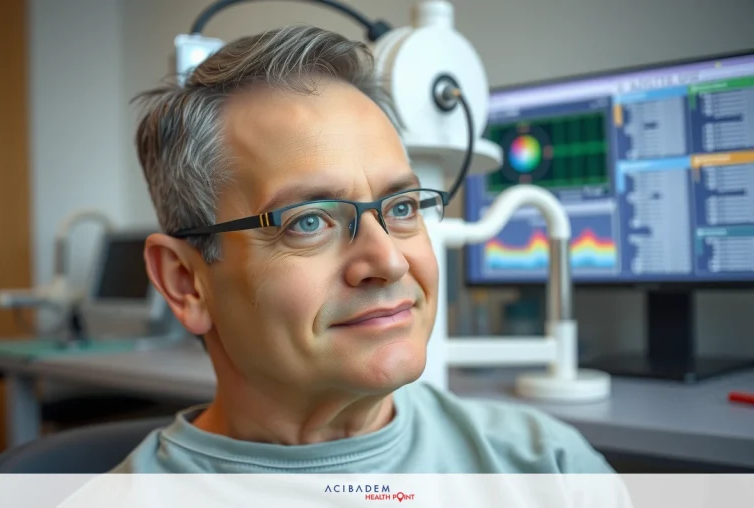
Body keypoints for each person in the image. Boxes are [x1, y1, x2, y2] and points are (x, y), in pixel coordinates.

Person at [115, 25, 612, 474]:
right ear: (185, 282)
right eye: (309, 221)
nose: (390, 261)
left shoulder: (550, 467)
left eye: (402, 207)